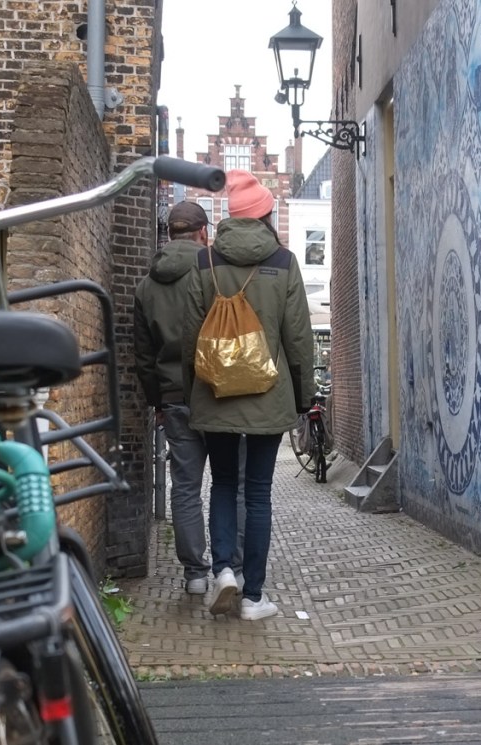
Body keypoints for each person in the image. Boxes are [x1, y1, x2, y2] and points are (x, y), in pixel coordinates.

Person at [182, 170, 314, 621]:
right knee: (257, 494)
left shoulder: (204, 263)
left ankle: (223, 571)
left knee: (221, 484)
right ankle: (254, 597)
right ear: (264, 214)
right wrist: (303, 397)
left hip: (214, 394)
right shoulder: (284, 261)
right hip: (268, 393)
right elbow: (298, 338)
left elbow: (189, 337)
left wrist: (191, 391)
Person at [133, 201, 245, 596]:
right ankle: (231, 566)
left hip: (174, 398)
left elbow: (142, 356)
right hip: (218, 393)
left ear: (168, 234)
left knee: (184, 487)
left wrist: (157, 402)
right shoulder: (217, 273)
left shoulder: (147, 286)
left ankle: (195, 574)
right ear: (202, 233)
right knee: (230, 482)